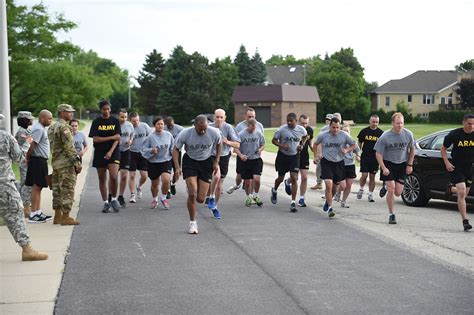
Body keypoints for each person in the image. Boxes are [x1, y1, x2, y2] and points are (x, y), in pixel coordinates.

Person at [0, 114, 48, 261]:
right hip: (3, 183)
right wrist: (28, 143)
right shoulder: (5, 136)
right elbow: (19, 157)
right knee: (15, 213)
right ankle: (27, 249)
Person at [173, 115, 222, 234]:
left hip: (206, 162)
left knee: (200, 198)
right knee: (192, 194)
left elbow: (219, 144)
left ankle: (192, 187)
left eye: (205, 128)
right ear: (194, 125)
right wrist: (177, 167)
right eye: (200, 129)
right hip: (190, 161)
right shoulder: (185, 133)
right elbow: (175, 149)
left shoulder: (214, 132)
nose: (203, 131)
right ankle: (192, 223)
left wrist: (216, 161)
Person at [374, 112, 415, 225]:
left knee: (398, 192)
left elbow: (412, 149)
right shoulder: (385, 137)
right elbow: (378, 154)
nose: (400, 125)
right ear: (392, 123)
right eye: (397, 123)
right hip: (388, 164)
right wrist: (383, 167)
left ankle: (386, 187)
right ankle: (391, 214)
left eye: (401, 123)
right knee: (392, 188)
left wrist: (409, 164)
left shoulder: (408, 134)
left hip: (402, 164)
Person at [314, 117, 356, 217]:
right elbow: (315, 145)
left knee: (335, 187)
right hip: (326, 162)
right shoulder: (323, 135)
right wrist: (316, 155)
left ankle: (328, 202)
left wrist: (346, 150)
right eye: (333, 127)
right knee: (328, 184)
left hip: (339, 163)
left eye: (337, 127)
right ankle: (330, 208)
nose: (335, 130)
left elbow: (354, 145)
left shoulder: (344, 135)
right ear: (330, 126)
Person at [48, 104, 82, 225]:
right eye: (69, 112)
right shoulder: (64, 128)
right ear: (62, 112)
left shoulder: (52, 127)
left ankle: (57, 216)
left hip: (56, 163)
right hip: (66, 164)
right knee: (67, 190)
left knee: (56, 190)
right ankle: (66, 216)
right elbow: (69, 148)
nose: (71, 114)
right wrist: (77, 162)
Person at [441, 114, 474, 231]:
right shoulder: (455, 134)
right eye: (469, 123)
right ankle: (465, 221)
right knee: (462, 192)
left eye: (473, 124)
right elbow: (443, 149)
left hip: (469, 168)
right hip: (457, 167)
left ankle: (450, 189)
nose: (472, 126)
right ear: (464, 123)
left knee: (464, 194)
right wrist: (447, 163)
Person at [89, 99, 122, 213]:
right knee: (102, 178)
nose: (106, 111)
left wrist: (110, 152)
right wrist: (111, 137)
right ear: (101, 110)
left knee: (114, 176)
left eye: (108, 109)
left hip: (113, 152)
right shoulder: (96, 122)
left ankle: (114, 198)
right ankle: (105, 202)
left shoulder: (115, 121)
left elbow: (117, 139)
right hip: (99, 153)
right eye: (104, 109)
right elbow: (95, 139)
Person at [206, 109, 240, 218]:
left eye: (221, 117)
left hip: (224, 156)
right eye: (217, 117)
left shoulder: (228, 128)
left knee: (219, 185)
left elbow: (238, 145)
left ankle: (214, 206)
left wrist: (228, 142)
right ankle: (210, 197)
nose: (219, 119)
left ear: (225, 118)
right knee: (216, 176)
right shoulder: (208, 126)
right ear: (214, 117)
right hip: (211, 156)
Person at [271, 112, 308, 212]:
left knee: (294, 178)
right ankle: (274, 190)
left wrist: (302, 145)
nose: (289, 122)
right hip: (283, 156)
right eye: (287, 120)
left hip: (295, 156)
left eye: (291, 121)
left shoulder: (301, 129)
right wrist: (282, 146)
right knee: (280, 178)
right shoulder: (282, 129)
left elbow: (305, 136)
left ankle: (293, 202)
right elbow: (273, 140)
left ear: (296, 121)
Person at [227, 108, 264, 194]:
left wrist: (259, 149)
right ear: (245, 116)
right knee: (239, 176)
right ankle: (237, 185)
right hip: (242, 156)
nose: (251, 118)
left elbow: (261, 141)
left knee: (250, 180)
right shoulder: (240, 126)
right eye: (249, 116)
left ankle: (251, 197)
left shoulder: (259, 126)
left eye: (253, 116)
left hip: (254, 157)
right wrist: (240, 154)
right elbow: (235, 142)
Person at [25, 109, 53, 223]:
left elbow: (29, 140)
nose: (51, 121)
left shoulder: (40, 129)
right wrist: (28, 157)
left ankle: (38, 212)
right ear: (42, 118)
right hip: (37, 160)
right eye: (49, 118)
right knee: (36, 186)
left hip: (41, 160)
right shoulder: (38, 129)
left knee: (40, 186)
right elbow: (32, 145)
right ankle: (33, 214)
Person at [141, 116, 174, 210]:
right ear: (154, 125)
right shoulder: (150, 137)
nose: (160, 126)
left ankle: (163, 198)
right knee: (155, 184)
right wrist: (152, 150)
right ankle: (155, 199)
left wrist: (173, 151)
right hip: (153, 162)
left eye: (162, 124)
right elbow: (143, 150)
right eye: (158, 124)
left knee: (166, 180)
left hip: (166, 161)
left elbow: (173, 146)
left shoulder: (168, 135)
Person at [283, 114, 314, 207]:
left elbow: (311, 140)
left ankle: (301, 198)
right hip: (294, 155)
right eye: (302, 123)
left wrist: (313, 148)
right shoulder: (293, 130)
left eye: (306, 123)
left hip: (304, 156)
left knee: (304, 177)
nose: (304, 125)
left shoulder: (309, 130)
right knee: (295, 178)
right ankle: (288, 181)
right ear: (298, 122)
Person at [235, 118, 265, 207]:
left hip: (256, 160)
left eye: (255, 128)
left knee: (256, 179)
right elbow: (235, 148)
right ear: (248, 126)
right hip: (246, 161)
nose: (253, 130)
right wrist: (241, 156)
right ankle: (248, 197)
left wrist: (260, 149)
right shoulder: (241, 135)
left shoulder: (258, 133)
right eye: (252, 128)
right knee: (247, 182)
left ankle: (256, 195)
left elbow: (263, 144)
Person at [356, 115, 384, 202]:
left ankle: (370, 194)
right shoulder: (364, 131)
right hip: (365, 157)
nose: (375, 124)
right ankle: (361, 189)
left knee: (372, 177)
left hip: (375, 158)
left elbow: (383, 147)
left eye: (376, 122)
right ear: (370, 121)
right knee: (364, 175)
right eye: (373, 122)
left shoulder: (381, 133)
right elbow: (359, 143)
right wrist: (358, 154)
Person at [334, 125, 360, 208]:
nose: (346, 132)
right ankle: (338, 192)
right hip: (340, 164)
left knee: (349, 184)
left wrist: (358, 156)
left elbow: (357, 150)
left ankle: (343, 201)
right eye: (344, 131)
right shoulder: (338, 141)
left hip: (350, 164)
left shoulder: (352, 141)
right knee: (343, 185)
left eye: (347, 131)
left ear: (350, 132)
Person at [129, 112, 151, 203]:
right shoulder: (129, 128)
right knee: (132, 175)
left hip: (143, 153)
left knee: (144, 176)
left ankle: (139, 187)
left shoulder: (144, 126)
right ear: (130, 121)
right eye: (134, 121)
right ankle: (132, 195)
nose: (136, 122)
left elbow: (151, 136)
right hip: (132, 153)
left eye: (137, 120)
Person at [15, 111, 34, 218]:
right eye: (29, 118)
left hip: (28, 159)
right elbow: (24, 148)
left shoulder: (27, 130)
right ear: (25, 120)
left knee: (25, 183)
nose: (32, 120)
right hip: (24, 160)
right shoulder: (21, 132)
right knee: (27, 183)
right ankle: (25, 207)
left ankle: (24, 205)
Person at [311, 113, 333, 190]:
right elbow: (318, 142)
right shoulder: (323, 129)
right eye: (327, 119)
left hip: (331, 153)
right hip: (322, 152)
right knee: (319, 167)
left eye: (329, 120)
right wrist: (317, 154)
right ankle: (319, 183)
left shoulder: (335, 128)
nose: (328, 121)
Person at [117, 109, 134, 207]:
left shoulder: (129, 125)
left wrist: (130, 141)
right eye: (122, 117)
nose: (124, 119)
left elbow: (132, 134)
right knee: (114, 176)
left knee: (124, 176)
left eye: (125, 117)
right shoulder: (114, 125)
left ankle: (120, 196)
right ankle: (111, 196)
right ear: (118, 116)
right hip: (116, 152)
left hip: (126, 151)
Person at [164, 116, 184, 196]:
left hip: (177, 152)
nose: (170, 127)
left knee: (177, 172)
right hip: (167, 153)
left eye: (172, 125)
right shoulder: (164, 129)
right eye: (169, 126)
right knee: (167, 173)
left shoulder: (180, 129)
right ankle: (168, 190)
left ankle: (172, 183)